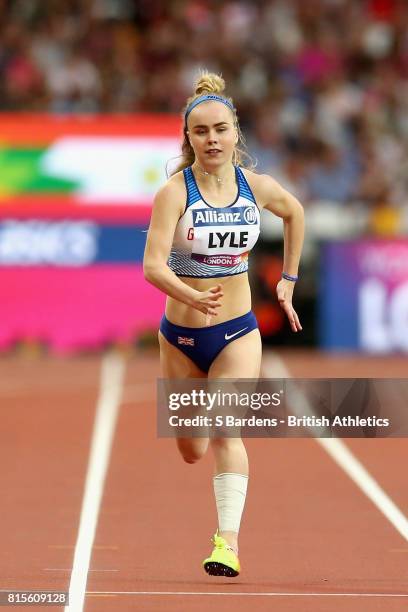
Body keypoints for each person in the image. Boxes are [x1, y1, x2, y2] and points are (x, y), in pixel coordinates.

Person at [143, 70, 304, 577]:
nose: (212, 139)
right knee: (191, 448)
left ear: (236, 132)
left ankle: (226, 543)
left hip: (237, 330)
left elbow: (295, 213)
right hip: (182, 338)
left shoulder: (256, 187)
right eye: (200, 132)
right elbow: (151, 266)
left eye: (221, 129)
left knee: (226, 430)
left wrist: (288, 280)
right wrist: (191, 293)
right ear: (188, 139)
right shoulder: (174, 192)